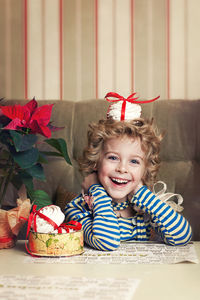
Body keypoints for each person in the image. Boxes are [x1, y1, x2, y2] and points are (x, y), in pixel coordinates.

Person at [64, 92, 192, 251]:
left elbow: (182, 237)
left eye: (134, 161)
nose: (122, 169)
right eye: (112, 158)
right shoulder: (81, 208)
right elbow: (106, 241)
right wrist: (96, 190)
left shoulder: (148, 207)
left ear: (145, 170)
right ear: (96, 161)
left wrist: (141, 193)